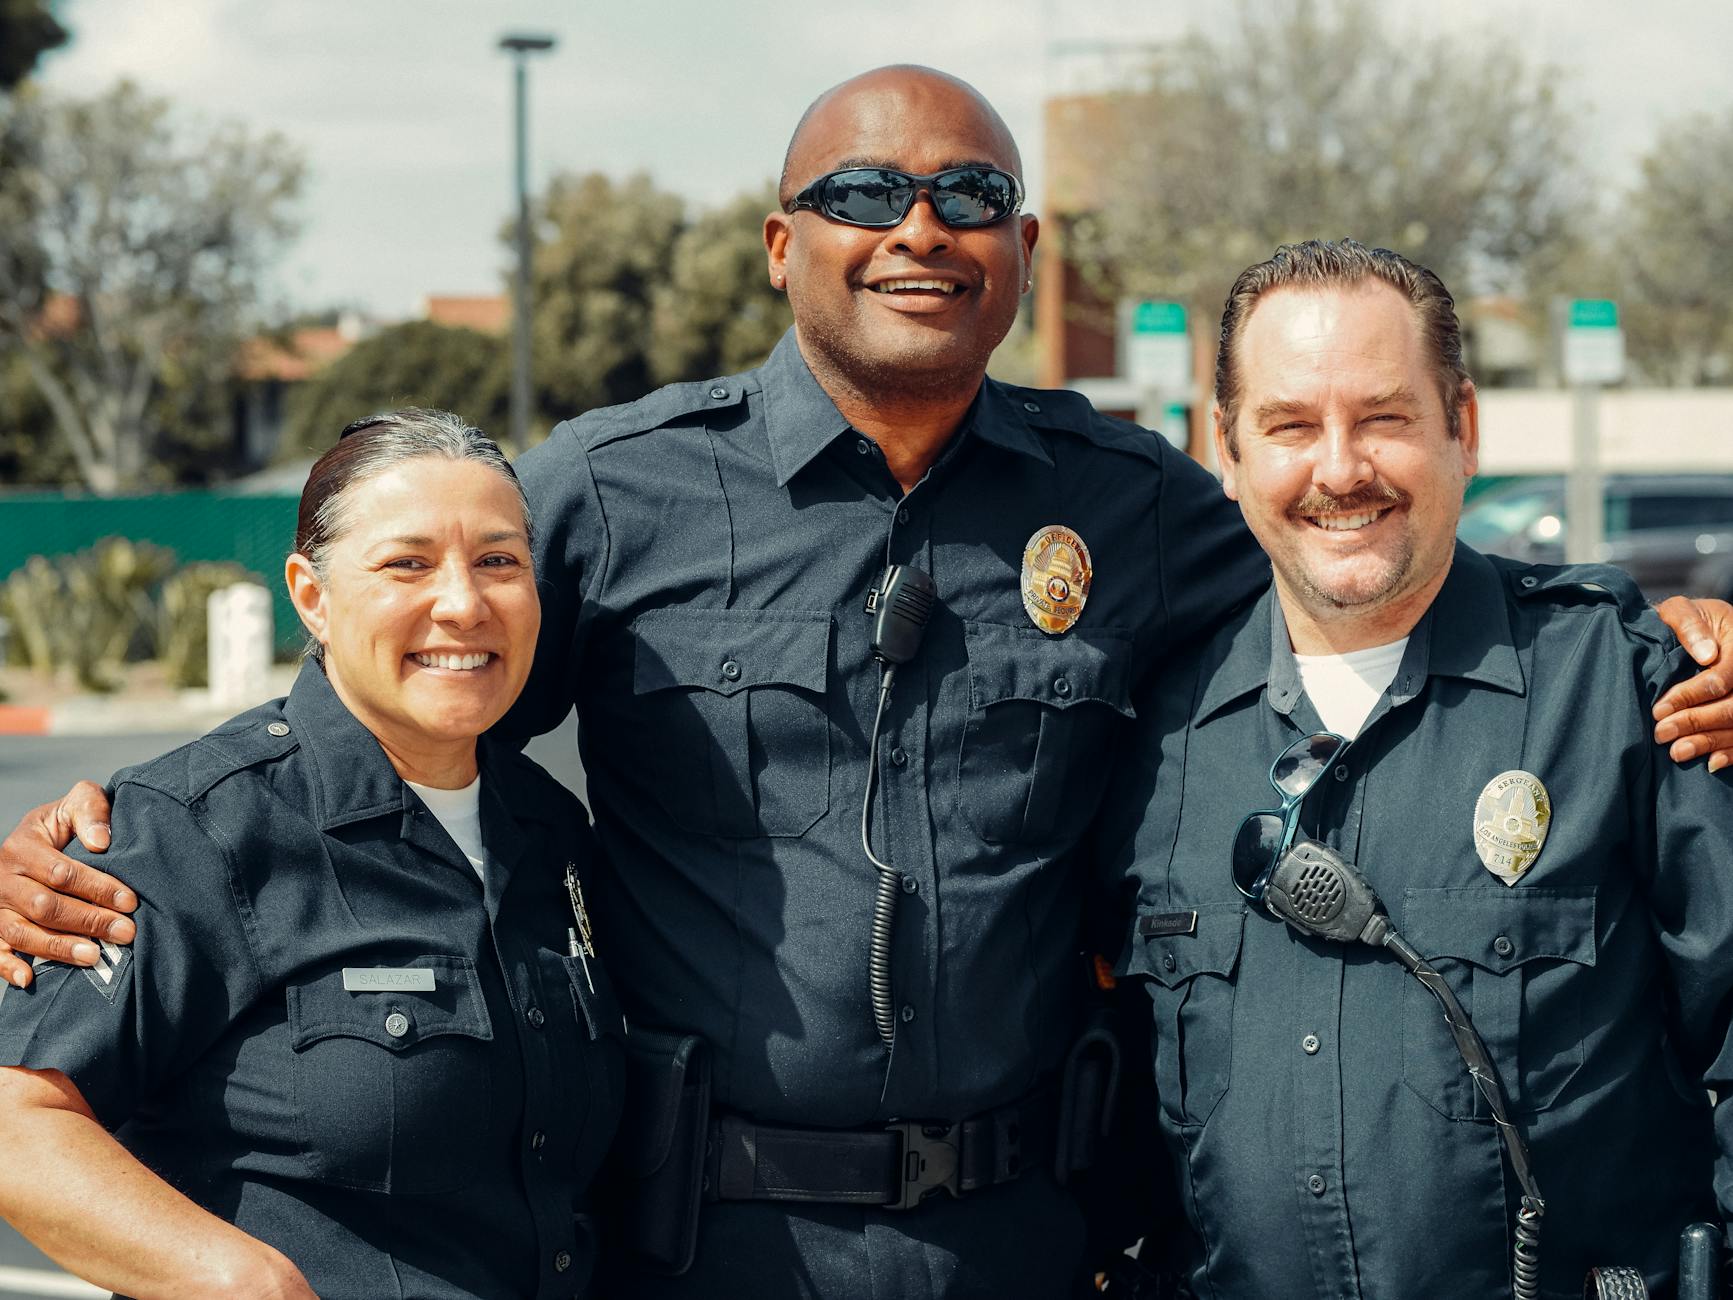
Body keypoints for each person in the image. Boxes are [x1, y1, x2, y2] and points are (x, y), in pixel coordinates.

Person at [2, 71, 1732, 1299]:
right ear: (778, 244)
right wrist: (126, 832)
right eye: (862, 194)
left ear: (1022, 248)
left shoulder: (1130, 504)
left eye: (966, 196)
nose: (918, 226)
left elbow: (1365, 562)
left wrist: (1676, 632)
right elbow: (400, 694)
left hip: (1035, 1234)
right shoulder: (610, 489)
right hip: (711, 1245)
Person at [1099, 240, 1733, 1298]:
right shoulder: (1150, 736)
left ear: (1461, 428)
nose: (1338, 468)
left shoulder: (1622, 685)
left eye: (1383, 417)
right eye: (1290, 425)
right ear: (1228, 449)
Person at [0, 410, 624, 1299]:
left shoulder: (553, 832)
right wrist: (236, 1279)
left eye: (499, 561)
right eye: (407, 563)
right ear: (311, 596)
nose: (463, 602)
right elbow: (16, 1113)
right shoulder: (194, 826)